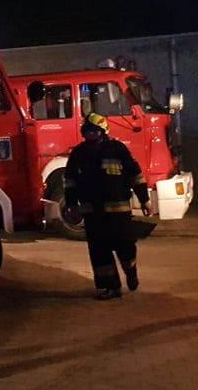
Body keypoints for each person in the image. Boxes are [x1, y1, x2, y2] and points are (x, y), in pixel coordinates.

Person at [63, 113, 152, 300]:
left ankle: (131, 270)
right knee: (99, 251)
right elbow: (70, 181)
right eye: (87, 131)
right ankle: (110, 287)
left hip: (118, 212)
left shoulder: (117, 149)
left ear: (103, 131)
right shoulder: (78, 153)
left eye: (94, 131)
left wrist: (144, 199)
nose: (90, 134)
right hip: (91, 212)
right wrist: (71, 203)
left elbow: (134, 175)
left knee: (125, 245)